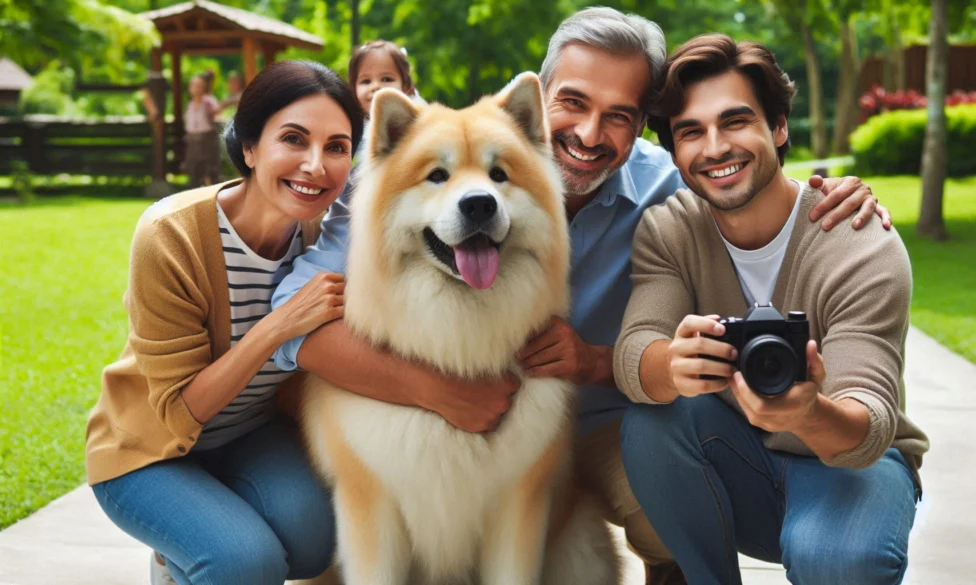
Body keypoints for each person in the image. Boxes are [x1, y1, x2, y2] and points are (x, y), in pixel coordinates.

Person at [270, 8, 889, 584]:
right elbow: (292, 316)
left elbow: (740, 171)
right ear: (538, 107)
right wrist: (434, 389)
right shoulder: (409, 179)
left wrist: (829, 196)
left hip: (607, 422)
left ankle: (673, 569)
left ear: (643, 125)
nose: (590, 133)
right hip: (458, 409)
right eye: (573, 103)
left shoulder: (668, 191)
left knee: (661, 490)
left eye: (618, 115)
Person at [613, 34, 930, 585]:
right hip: (738, 461)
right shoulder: (670, 231)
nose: (714, 148)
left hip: (850, 465)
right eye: (691, 132)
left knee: (835, 557)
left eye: (735, 121)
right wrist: (671, 365)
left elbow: (870, 421)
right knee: (649, 422)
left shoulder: (859, 241)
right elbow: (636, 350)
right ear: (673, 151)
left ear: (778, 127)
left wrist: (807, 413)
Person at [85, 60, 365, 585]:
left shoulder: (324, 242)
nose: (315, 165)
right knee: (245, 563)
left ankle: (201, 535)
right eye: (294, 139)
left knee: (322, 539)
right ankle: (187, 554)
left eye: (336, 147)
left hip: (250, 435)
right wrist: (279, 325)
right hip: (150, 451)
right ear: (251, 146)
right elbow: (180, 410)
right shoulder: (171, 235)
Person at [348, 39, 418, 116]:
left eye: (386, 79)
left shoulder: (416, 124)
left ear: (405, 87)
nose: (375, 86)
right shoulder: (348, 124)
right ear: (354, 89)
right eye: (366, 81)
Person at [183, 73, 223, 187]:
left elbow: (217, 113)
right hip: (193, 141)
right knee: (194, 171)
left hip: (207, 139)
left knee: (209, 171)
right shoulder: (190, 104)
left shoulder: (208, 102)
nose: (196, 88)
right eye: (194, 85)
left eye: (199, 85)